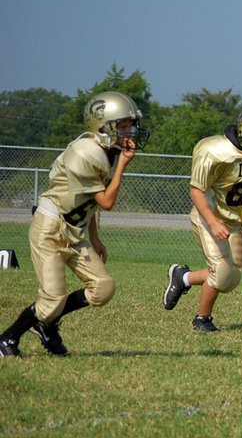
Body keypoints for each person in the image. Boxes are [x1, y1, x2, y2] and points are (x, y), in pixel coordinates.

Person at [0, 92, 148, 357]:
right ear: (103, 126)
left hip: (75, 231)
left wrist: (96, 237)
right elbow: (105, 201)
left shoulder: (109, 151)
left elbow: (88, 203)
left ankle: (47, 322)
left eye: (131, 124)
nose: (131, 131)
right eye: (123, 125)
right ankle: (8, 338)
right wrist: (124, 165)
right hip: (50, 228)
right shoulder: (85, 153)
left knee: (103, 288)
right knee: (51, 301)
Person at [162, 103, 242, 331]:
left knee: (231, 280)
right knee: (220, 273)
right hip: (209, 215)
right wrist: (213, 222)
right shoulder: (217, 150)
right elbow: (196, 190)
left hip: (234, 223)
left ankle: (183, 278)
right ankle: (202, 319)